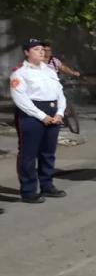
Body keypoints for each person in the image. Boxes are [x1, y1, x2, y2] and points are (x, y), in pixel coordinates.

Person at [10, 39, 68, 203]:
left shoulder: (49, 71)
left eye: (43, 49)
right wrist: (42, 116)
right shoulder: (20, 73)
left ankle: (47, 185)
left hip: (53, 113)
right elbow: (20, 98)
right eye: (36, 49)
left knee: (48, 153)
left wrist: (60, 113)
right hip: (31, 115)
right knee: (28, 154)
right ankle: (28, 191)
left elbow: (60, 94)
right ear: (27, 52)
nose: (41, 52)